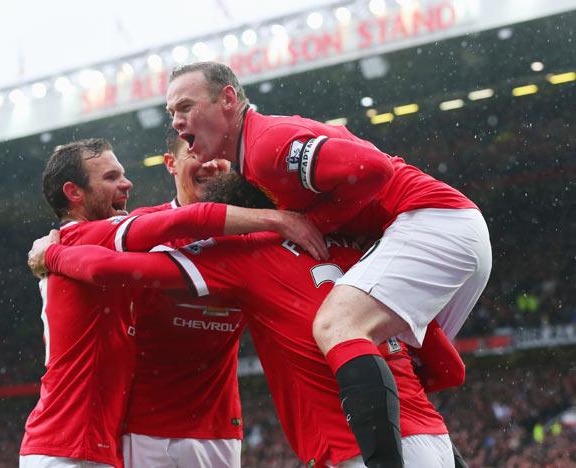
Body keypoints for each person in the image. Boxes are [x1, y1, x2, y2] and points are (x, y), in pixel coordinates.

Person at [165, 61, 492, 467]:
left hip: (430, 220)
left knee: (338, 327)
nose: (177, 121)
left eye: (184, 107)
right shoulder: (262, 151)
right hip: (452, 230)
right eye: (171, 113)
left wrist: (320, 221)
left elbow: (374, 167)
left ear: (228, 99)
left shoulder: (266, 147)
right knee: (387, 358)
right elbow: (449, 370)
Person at [26, 174, 466, 468]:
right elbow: (449, 367)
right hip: (432, 437)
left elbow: (113, 270)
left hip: (358, 446)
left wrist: (54, 253)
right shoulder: (360, 255)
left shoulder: (243, 254)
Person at [20, 138, 327, 467]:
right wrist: (278, 219)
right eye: (110, 177)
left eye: (219, 156)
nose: (127, 183)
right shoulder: (92, 237)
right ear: (74, 193)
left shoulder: (252, 244)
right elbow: (182, 223)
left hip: (146, 436)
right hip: (89, 440)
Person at [120, 132, 244, 468]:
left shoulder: (251, 235)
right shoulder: (139, 230)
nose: (210, 163)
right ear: (171, 164)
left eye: (218, 153)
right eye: (195, 152)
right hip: (146, 427)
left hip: (220, 428)